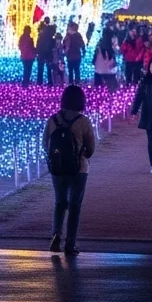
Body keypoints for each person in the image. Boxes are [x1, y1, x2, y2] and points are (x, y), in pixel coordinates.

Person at [45, 85, 96, 255]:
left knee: (60, 203)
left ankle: (56, 235)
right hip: (78, 168)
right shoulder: (84, 121)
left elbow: (45, 144)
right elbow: (91, 147)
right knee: (75, 206)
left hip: (57, 168)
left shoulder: (52, 120)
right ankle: (70, 243)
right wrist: (83, 154)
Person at [36, 20, 57, 85]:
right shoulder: (52, 39)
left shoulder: (41, 37)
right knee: (49, 70)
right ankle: (50, 82)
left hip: (41, 55)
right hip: (49, 56)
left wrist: (37, 52)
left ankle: (39, 82)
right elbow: (53, 47)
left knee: (40, 70)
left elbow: (38, 46)